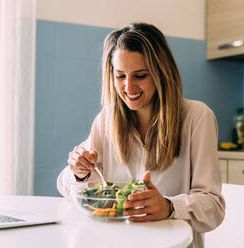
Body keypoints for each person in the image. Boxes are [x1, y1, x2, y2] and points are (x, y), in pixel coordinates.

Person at [56, 23, 225, 248]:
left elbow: (213, 208)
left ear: (161, 73)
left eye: (140, 75)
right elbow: (69, 188)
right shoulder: (106, 120)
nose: (129, 87)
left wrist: (169, 207)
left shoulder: (197, 117)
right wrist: (79, 173)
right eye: (120, 76)